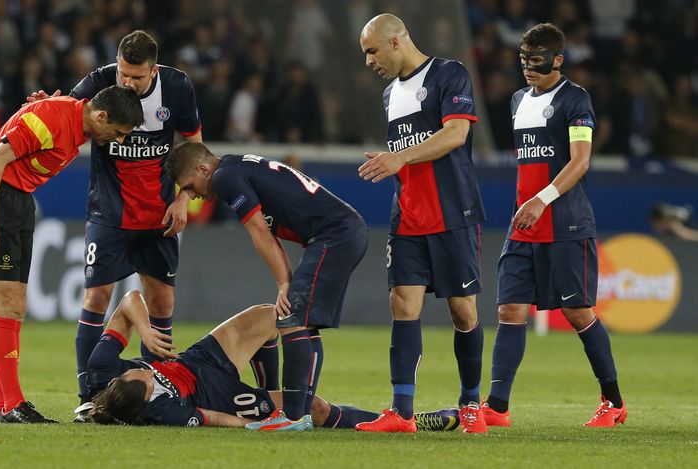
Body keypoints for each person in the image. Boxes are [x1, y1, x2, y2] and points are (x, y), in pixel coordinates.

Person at [26, 30, 204, 420]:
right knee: (96, 298)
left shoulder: (176, 87)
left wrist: (182, 198)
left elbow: (193, 146)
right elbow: (64, 112)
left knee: (161, 301)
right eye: (124, 73)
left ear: (153, 70)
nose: (128, 82)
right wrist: (42, 106)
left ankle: (154, 386)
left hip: (159, 216)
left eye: (137, 77)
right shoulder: (101, 82)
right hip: (109, 213)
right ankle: (89, 393)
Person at [0, 85, 143, 423]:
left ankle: (7, 405)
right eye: (117, 132)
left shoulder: (69, 120)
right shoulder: (55, 119)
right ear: (101, 116)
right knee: (7, 302)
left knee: (16, 304)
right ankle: (11, 404)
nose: (117, 140)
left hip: (17, 203)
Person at [165, 142, 369, 431]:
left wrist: (285, 282)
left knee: (292, 318)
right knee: (298, 320)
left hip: (335, 234)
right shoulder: (235, 168)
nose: (193, 194)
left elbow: (259, 232)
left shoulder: (224, 178)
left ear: (202, 169)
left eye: (189, 186)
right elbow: (270, 235)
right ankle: (300, 414)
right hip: (339, 233)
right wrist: (284, 281)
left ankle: (294, 416)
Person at [483, 23, 627, 429]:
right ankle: (496, 406)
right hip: (523, 223)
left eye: (537, 60)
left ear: (558, 60)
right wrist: (527, 205)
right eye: (523, 59)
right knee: (510, 309)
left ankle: (612, 401)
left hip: (564, 223)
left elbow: (580, 162)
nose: (528, 67)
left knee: (578, 312)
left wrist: (541, 199)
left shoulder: (575, 99)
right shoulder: (516, 101)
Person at [355, 14, 487, 434]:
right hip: (408, 215)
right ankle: (402, 412)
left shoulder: (450, 74)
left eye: (372, 51)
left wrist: (398, 158)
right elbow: (408, 149)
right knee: (402, 303)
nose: (368, 61)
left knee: (463, 312)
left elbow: (455, 135)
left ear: (396, 42)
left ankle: (470, 404)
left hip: (452, 212)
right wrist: (395, 161)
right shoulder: (390, 93)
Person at [86, 290, 459, 432]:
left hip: (199, 359)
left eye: (137, 370)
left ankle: (270, 392)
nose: (142, 368)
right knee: (313, 407)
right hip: (216, 395)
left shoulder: (105, 372)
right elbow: (212, 418)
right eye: (148, 379)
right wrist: (254, 424)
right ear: (148, 398)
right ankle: (401, 422)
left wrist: (146, 331)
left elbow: (129, 300)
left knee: (271, 315)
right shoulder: (163, 413)